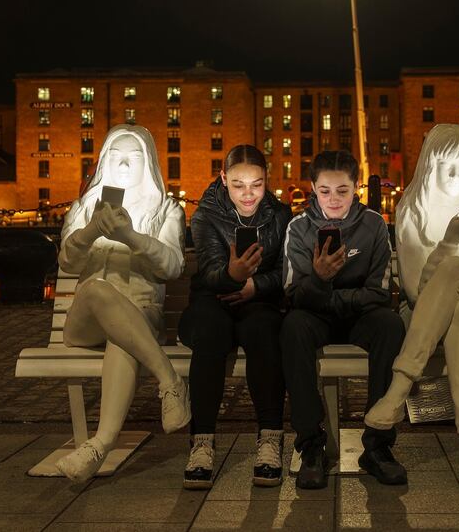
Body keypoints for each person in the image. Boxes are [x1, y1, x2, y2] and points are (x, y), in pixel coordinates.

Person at [364, 124, 459, 488]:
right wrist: (449, 241)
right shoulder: (412, 210)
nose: (457, 176)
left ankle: (399, 387)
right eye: (447, 167)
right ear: (429, 166)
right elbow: (414, 293)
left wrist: (449, 249)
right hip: (437, 316)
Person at [55, 124, 189, 483]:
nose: (124, 166)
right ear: (103, 162)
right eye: (116, 158)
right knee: (99, 291)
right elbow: (67, 262)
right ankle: (170, 380)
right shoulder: (84, 208)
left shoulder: (166, 210)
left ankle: (98, 447)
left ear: (148, 163)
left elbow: (173, 265)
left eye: (133, 158)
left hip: (139, 317)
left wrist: (130, 236)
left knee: (124, 337)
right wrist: (91, 230)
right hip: (86, 321)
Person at [281, 150, 407, 489]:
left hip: (359, 316)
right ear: (313, 188)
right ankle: (310, 445)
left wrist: (326, 293)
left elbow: (380, 292)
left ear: (357, 189)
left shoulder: (373, 225)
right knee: (292, 327)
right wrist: (320, 278)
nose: (334, 199)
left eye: (343, 190)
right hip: (315, 317)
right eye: (325, 191)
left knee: (390, 325)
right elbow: (293, 294)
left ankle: (378, 445)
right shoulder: (300, 228)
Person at [178, 145, 292, 489]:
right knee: (211, 332)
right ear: (224, 178)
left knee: (264, 328)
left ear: (266, 180)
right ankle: (202, 443)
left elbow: (287, 272)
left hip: (259, 300)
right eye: (239, 184)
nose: (248, 194)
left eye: (256, 184)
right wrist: (232, 273)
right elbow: (210, 272)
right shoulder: (206, 213)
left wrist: (256, 285)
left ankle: (270, 440)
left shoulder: (280, 214)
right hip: (212, 300)